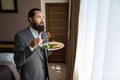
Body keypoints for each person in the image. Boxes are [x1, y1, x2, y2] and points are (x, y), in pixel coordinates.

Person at [14, 8, 52, 80]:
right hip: (31, 77)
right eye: (39, 17)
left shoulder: (44, 34)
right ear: (31, 20)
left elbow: (46, 53)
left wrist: (51, 47)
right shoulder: (20, 36)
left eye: (43, 17)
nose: (42, 20)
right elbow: (18, 61)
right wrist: (31, 47)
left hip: (45, 75)